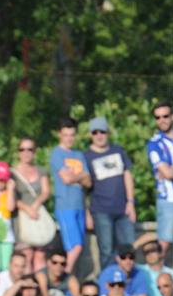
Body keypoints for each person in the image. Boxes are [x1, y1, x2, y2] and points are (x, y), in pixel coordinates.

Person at [83, 117, 136, 270]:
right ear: (90, 135)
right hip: (100, 211)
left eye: (102, 132)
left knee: (128, 250)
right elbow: (83, 188)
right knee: (106, 252)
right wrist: (87, 214)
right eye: (95, 132)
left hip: (123, 209)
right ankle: (108, 286)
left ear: (108, 133)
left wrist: (131, 202)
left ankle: (128, 286)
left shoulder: (118, 151)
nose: (99, 135)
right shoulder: (86, 156)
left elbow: (127, 175)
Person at [50, 118, 93, 278]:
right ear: (60, 135)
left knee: (77, 248)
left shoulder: (79, 154)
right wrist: (81, 175)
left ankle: (70, 278)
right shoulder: (57, 154)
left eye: (72, 135)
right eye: (66, 135)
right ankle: (63, 276)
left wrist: (77, 176)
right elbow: (66, 179)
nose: (69, 138)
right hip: (65, 205)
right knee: (75, 246)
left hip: (79, 206)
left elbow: (88, 182)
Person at [9, 138, 54, 272]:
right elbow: (10, 198)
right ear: (18, 152)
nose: (26, 153)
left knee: (40, 255)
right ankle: (28, 287)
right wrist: (27, 208)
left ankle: (41, 287)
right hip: (21, 218)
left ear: (35, 152)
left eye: (30, 149)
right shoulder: (12, 173)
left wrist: (36, 205)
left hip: (38, 215)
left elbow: (46, 191)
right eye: (22, 149)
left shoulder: (41, 171)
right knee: (26, 255)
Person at [146, 102, 173, 262]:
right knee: (163, 244)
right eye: (157, 117)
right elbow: (167, 173)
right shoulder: (155, 143)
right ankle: (158, 280)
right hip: (168, 199)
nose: (162, 120)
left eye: (165, 116)